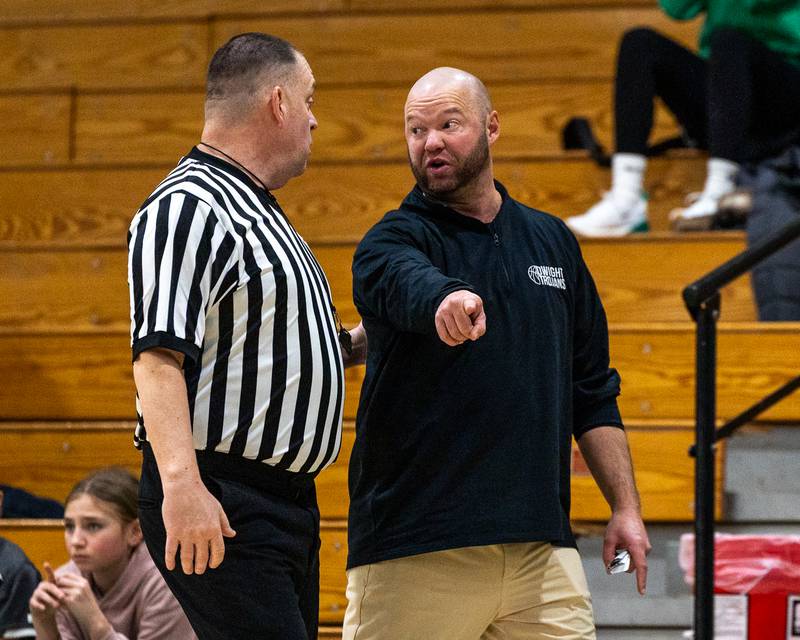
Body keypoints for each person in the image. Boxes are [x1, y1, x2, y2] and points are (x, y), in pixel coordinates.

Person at [344, 67, 651, 640]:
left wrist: (625, 507)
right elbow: (403, 283)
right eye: (415, 130)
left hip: (540, 546)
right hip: (419, 546)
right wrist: (446, 298)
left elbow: (592, 391)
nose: (430, 141)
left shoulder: (552, 240)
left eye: (448, 124)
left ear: (491, 127)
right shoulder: (392, 240)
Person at [127, 32, 366, 640]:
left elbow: (264, 356)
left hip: (283, 501)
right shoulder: (188, 205)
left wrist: (363, 345)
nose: (315, 119)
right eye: (310, 100)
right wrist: (183, 488)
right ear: (279, 102)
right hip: (223, 494)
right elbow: (157, 358)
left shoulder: (254, 208)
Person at [566, 0, 800, 236]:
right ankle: (626, 199)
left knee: (729, 41)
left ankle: (720, 191)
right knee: (640, 42)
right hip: (726, 94)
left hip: (785, 93)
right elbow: (676, 9)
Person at [27, 468, 195, 640]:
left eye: (93, 526)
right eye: (70, 526)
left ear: (135, 532)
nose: (76, 541)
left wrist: (97, 625)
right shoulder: (65, 580)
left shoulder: (166, 584)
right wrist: (45, 625)